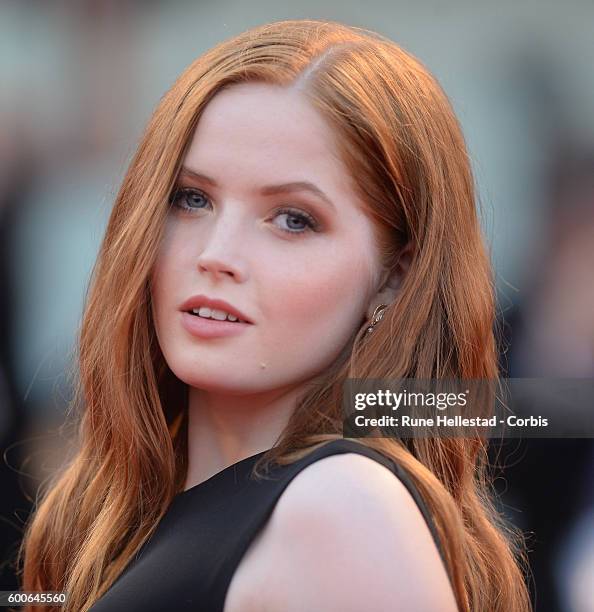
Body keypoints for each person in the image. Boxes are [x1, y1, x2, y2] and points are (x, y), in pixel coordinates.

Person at [17, 19, 532, 612]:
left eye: (293, 219)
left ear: (395, 274)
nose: (216, 255)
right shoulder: (104, 519)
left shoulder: (342, 506)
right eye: (192, 199)